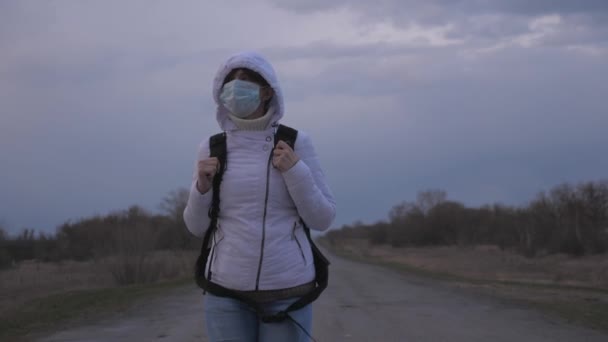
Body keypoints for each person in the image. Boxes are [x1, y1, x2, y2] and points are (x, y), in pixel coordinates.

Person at [183, 51, 336, 342]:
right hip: (225, 291)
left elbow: (323, 218)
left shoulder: (295, 142)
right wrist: (201, 187)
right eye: (228, 86)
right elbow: (195, 227)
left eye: (245, 85)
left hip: (288, 291)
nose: (234, 93)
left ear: (267, 92)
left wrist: (295, 171)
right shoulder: (211, 148)